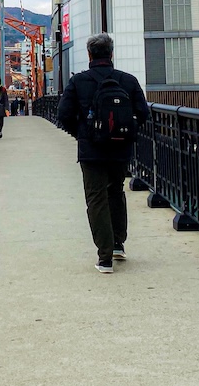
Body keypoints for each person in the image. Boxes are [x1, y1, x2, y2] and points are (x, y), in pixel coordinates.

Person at [56, 33, 149, 274]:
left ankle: (105, 257)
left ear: (89, 54)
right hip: (120, 148)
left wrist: (82, 134)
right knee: (115, 191)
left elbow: (63, 115)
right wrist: (127, 132)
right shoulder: (127, 80)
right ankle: (118, 244)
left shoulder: (79, 82)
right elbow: (144, 114)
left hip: (91, 150)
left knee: (96, 198)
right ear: (111, 54)